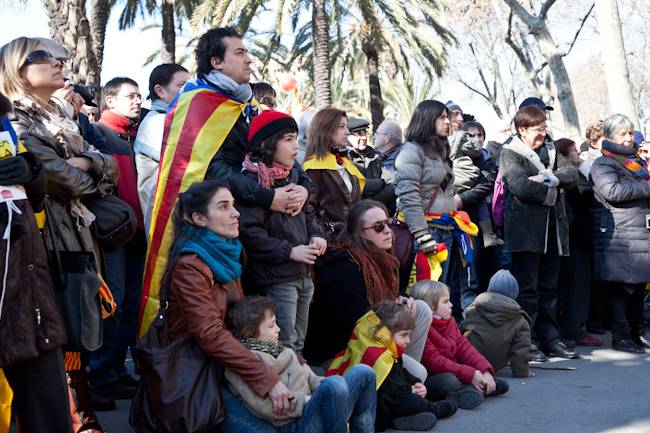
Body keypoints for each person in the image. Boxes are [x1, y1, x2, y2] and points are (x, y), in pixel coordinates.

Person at [139, 26, 311, 335]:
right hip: (208, 229)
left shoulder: (246, 106)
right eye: (240, 53)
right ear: (217, 62)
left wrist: (303, 189)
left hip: (247, 226)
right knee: (211, 316)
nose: (249, 60)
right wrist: (268, 197)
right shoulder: (196, 103)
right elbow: (214, 168)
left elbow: (279, 154)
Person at [1, 36, 119, 432]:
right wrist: (83, 165)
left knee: (74, 337)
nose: (55, 63)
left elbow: (111, 167)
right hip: (42, 245)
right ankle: (80, 419)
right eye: (42, 58)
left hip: (73, 240)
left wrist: (83, 163)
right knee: (61, 339)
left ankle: (79, 416)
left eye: (56, 58)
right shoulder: (16, 118)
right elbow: (65, 182)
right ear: (18, 70)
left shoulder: (62, 118)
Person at [161, 179, 297, 433]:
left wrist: (287, 356)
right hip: (200, 373)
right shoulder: (190, 266)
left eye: (234, 205)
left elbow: (241, 319)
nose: (236, 213)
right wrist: (268, 380)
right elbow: (210, 335)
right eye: (224, 207)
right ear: (199, 219)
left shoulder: (228, 250)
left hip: (227, 365)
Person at [0, 88, 70, 433]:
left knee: (49, 414)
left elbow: (37, 200)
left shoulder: (4, 120)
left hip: (29, 293)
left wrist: (31, 170)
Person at [303, 200, 432, 382]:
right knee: (420, 374)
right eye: (378, 227)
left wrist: (402, 299)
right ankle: (403, 382)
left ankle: (400, 378)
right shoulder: (344, 267)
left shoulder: (382, 257)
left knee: (420, 308)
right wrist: (392, 309)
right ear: (359, 233)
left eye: (388, 223)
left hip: (374, 334)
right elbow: (356, 323)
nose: (388, 231)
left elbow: (387, 298)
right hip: (342, 350)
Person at [237, 110, 326, 352]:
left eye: (296, 138)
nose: (295, 145)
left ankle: (298, 376)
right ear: (268, 143)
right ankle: (288, 385)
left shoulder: (293, 175)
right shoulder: (253, 181)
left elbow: (307, 214)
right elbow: (250, 232)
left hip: (303, 271)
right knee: (283, 341)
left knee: (299, 340)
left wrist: (316, 235)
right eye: (287, 139)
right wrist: (289, 251)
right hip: (277, 275)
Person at [224, 296, 377, 433]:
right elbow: (267, 409)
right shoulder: (244, 363)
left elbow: (311, 379)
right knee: (335, 383)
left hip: (315, 407)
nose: (278, 329)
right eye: (271, 326)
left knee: (365, 373)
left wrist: (322, 387)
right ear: (249, 334)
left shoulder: (278, 348)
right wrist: (309, 401)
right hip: (296, 425)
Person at [499, 105, 579, 361]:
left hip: (553, 232)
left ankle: (551, 339)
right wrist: (554, 190)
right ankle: (527, 342)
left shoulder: (552, 148)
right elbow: (520, 186)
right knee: (527, 291)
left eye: (545, 127)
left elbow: (571, 174)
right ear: (522, 129)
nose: (543, 133)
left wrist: (549, 178)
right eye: (538, 129)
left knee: (549, 290)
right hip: (526, 234)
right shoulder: (510, 152)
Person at [394, 100, 478, 319]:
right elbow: (409, 196)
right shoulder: (411, 150)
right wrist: (422, 235)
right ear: (427, 120)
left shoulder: (440, 149)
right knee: (427, 297)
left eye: (446, 117)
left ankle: (444, 344)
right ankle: (424, 347)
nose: (447, 122)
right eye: (441, 117)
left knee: (442, 294)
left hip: (446, 229)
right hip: (427, 232)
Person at [89, 76, 145, 399]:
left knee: (132, 304)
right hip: (112, 231)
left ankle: (116, 370)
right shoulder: (101, 133)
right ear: (109, 101)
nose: (137, 101)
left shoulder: (135, 135)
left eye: (138, 96)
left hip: (138, 231)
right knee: (114, 302)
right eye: (130, 96)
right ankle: (99, 376)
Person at [327, 302, 457, 432]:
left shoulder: (384, 346)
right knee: (416, 402)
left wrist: (416, 382)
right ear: (386, 333)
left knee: (425, 387)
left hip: (389, 400)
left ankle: (401, 421)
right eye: (404, 335)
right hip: (377, 411)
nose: (408, 340)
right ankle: (435, 409)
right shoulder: (376, 356)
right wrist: (410, 390)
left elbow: (400, 372)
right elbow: (388, 391)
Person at [590, 114, 650, 354]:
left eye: (630, 132)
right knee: (622, 287)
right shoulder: (603, 163)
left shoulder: (636, 162)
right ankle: (621, 335)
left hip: (640, 231)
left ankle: (635, 333)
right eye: (622, 134)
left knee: (637, 286)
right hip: (620, 232)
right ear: (609, 136)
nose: (628, 138)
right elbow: (612, 191)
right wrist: (648, 187)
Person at [412, 280, 509, 410]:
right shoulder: (423, 327)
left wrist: (485, 370)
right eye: (445, 302)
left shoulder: (450, 322)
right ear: (430, 307)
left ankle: (477, 387)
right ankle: (471, 390)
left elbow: (465, 348)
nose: (451, 305)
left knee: (471, 370)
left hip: (454, 370)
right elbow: (434, 361)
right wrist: (470, 374)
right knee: (449, 381)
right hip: (432, 376)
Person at [554, 139, 603, 347]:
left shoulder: (577, 174)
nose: (578, 154)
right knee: (577, 285)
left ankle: (574, 328)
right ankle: (575, 329)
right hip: (575, 239)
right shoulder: (571, 178)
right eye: (573, 151)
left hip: (577, 238)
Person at [134, 63, 189, 236]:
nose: (190, 91)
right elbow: (186, 164)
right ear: (160, 91)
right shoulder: (157, 123)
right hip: (166, 222)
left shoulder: (172, 120)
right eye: (182, 86)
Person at [303, 108, 365, 238]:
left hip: (355, 238)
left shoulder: (344, 163)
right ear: (326, 129)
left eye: (346, 127)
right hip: (334, 245)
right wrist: (327, 235)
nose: (347, 132)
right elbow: (308, 211)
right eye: (342, 127)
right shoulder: (313, 168)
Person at [462, 270, 532, 378]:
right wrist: (522, 373)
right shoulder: (519, 319)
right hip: (495, 365)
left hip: (470, 361)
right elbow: (521, 349)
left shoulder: (474, 310)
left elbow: (460, 333)